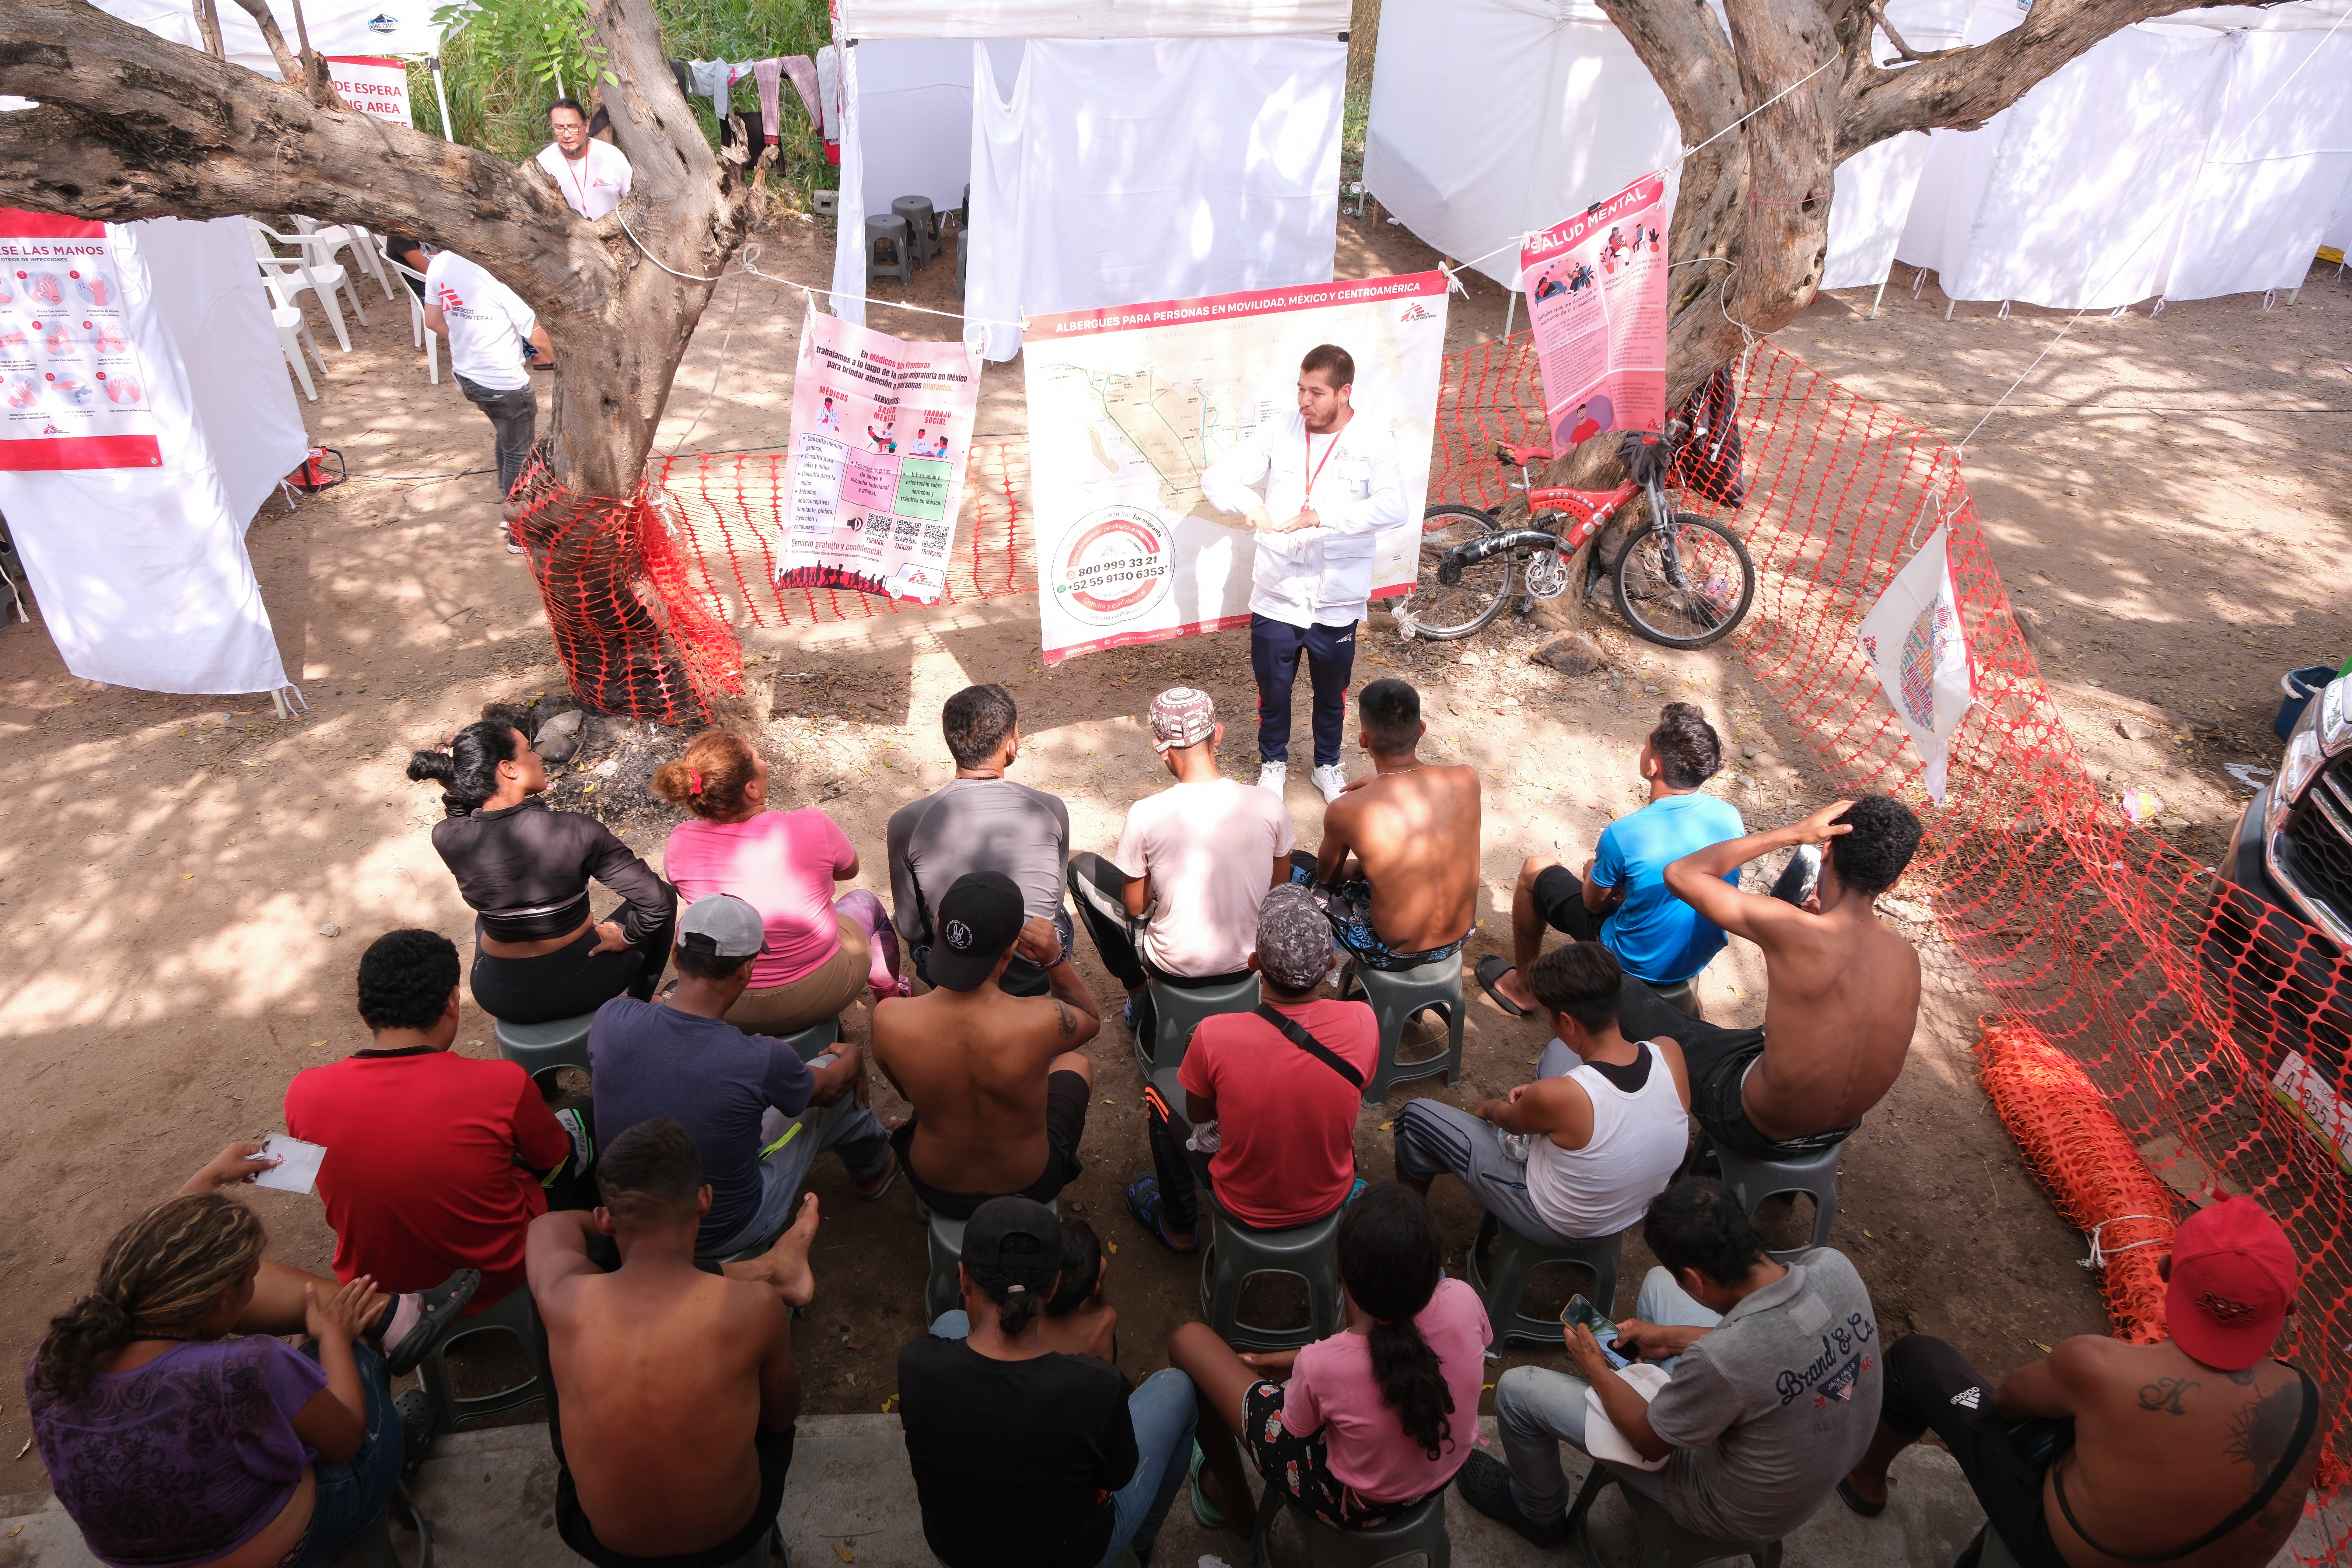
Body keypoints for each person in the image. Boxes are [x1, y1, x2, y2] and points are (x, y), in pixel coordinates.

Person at [26, 1147, 475, 1568]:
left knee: (303, 1349)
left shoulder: (59, 1356)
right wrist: (335, 1340)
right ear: (226, 1301)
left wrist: (210, 1178)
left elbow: (154, 1269)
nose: (257, 1284)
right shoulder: (247, 1367)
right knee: (346, 1341)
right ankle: (395, 1441)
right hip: (295, 1547)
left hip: (139, 1558)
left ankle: (389, 1321)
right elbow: (345, 1441)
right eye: (251, 1279)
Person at [1841, 1197, 2316, 1568]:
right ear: (2289, 1308)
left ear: (2167, 1270)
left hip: (2054, 1554)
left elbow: (2005, 1405)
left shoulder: (2098, 1366)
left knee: (1922, 1360)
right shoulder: (2309, 1401)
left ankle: (1865, 1483)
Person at [1453, 1178, 1879, 1550]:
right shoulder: (1833, 1266)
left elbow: (1651, 1442)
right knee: (1659, 1287)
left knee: (1517, 1392)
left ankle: (1537, 1514)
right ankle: (1654, 1378)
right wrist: (1669, 1339)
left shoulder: (1722, 1360)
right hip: (1826, 1459)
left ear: (1695, 1279)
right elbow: (1777, 1340)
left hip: (1732, 1506)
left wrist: (1593, 1366)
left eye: (1683, 1279)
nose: (1681, 1284)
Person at [529, 1118, 813, 1566]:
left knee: (552, 1301)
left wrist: (615, 1218)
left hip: (607, 1543)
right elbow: (781, 1417)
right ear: (704, 1200)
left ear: (605, 1218)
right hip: (730, 1535)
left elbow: (546, 1226)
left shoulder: (564, 1298)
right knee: (769, 1407)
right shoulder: (756, 1307)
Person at [284, 929, 579, 1319]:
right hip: (496, 1279)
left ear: (363, 1012)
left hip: (381, 1293)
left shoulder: (303, 1093)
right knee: (581, 1121)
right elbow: (553, 1157)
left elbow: (306, 1174)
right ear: (454, 1002)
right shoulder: (503, 1083)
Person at [1171, 1183, 1490, 1540]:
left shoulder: (1321, 1366)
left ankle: (1238, 1510)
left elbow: (1297, 1428)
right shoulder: (1463, 1300)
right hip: (1437, 1477)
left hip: (1353, 1506)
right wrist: (1305, 1362)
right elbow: (1401, 1352)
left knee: (1187, 1341)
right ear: (1434, 1271)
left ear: (1344, 1276)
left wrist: (1305, 1367)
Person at [899, 1197, 1196, 1568]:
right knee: (1180, 1387)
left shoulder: (915, 1364)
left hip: (955, 1550)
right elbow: (1118, 1474)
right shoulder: (1097, 1386)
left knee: (949, 1323)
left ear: (963, 1277)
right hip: (1071, 1556)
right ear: (1053, 1288)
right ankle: (1140, 1545)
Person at [591, 895, 896, 1257]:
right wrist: (854, 1057)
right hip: (724, 1229)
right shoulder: (759, 1058)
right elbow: (831, 1090)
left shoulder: (612, 1017)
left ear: (675, 955)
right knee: (833, 1070)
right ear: (746, 972)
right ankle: (876, 1170)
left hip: (629, 1222)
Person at [1625, 795, 1925, 1160]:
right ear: (1893, 882)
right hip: (1837, 1130)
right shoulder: (1906, 956)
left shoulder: (1790, 927)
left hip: (1753, 1125)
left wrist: (1794, 834)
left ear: (1826, 852)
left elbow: (1680, 874)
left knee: (1617, 987)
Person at [1199, 344, 1406, 803]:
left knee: (1332, 693)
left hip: (1337, 597)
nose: (1304, 402)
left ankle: (1327, 765)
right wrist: (1249, 502)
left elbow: (1395, 507)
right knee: (1273, 689)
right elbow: (1217, 477)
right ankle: (1273, 763)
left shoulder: (1372, 440)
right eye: (1300, 389)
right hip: (1279, 591)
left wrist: (1324, 516)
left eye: (1316, 392)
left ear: (1344, 392)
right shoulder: (1281, 431)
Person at [1129, 885, 1375, 1255]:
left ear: (1254, 962)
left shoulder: (1214, 1034)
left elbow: (1200, 1114)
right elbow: (1357, 1092)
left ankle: (1178, 1226)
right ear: (1330, 965)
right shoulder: (1363, 1021)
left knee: (1161, 1084)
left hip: (1244, 1204)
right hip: (1329, 1195)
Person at [1395, 942, 1689, 1249]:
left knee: (1414, 1119)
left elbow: (1507, 1119)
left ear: (1568, 1022)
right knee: (1561, 1051)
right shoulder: (1669, 1053)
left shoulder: (1562, 1097)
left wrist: (1491, 1108)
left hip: (1564, 1223)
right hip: (1632, 1208)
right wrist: (1547, 1102)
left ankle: (1407, 1229)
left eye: (1550, 1015)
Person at [408, 712, 676, 1024]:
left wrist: (455, 787)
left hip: (497, 994)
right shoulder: (576, 830)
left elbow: (461, 818)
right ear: (509, 769)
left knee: (490, 914)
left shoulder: (446, 837)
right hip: (582, 987)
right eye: (527, 750)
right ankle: (641, 1005)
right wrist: (627, 937)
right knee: (666, 895)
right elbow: (655, 902)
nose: (538, 756)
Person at [1480, 703, 1744, 1017]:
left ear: (1653, 768)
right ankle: (1684, 1003)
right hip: (1696, 956)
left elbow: (1594, 905)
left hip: (1634, 959)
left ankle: (1523, 988)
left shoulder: (1625, 833)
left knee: (1535, 869)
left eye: (1646, 745)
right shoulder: (1729, 817)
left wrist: (1592, 874)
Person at [871, 871, 1101, 1218]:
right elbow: (1090, 1019)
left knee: (931, 1091)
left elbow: (907, 1095)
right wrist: (1055, 959)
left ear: (939, 926)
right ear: (1011, 949)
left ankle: (932, 1205)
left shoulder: (889, 1018)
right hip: (1028, 1182)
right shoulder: (1041, 1020)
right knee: (1077, 1063)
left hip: (934, 1182)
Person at [1067, 686, 1293, 1030]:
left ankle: (1138, 992)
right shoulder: (1269, 804)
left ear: (1162, 749)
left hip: (1175, 966)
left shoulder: (1146, 814)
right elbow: (1278, 893)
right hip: (1250, 961)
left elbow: (1135, 906)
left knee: (1080, 868)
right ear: (1218, 734)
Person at [653, 727, 903, 1034]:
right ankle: (892, 996)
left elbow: (688, 891)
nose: (765, 763)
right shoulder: (811, 825)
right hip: (819, 989)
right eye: (759, 758)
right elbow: (848, 871)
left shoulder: (680, 842)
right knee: (865, 901)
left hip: (725, 1003)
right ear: (752, 789)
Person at [887, 684, 1073, 998]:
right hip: (1034, 973)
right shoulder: (1051, 809)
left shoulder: (907, 822)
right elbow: (1052, 907)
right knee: (1063, 916)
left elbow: (910, 928)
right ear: (1011, 747)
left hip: (955, 974)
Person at [1292, 678, 1480, 971]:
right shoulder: (1467, 778)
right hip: (1460, 935)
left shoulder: (1346, 810)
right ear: (1422, 729)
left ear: (1363, 740)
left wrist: (1366, 866)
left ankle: (1300, 965)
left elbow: (1329, 877)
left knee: (1293, 864)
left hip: (1393, 952)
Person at [421, 246, 554, 517]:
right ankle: (518, 523)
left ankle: (509, 502)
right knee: (519, 454)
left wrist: (471, 343)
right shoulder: (498, 271)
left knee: (508, 440)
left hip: (467, 376)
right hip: (504, 383)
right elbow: (537, 336)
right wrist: (564, 363)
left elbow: (433, 321)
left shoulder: (441, 263)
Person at [534, 96, 632, 221]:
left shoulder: (612, 156)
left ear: (586, 126)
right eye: (559, 128)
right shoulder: (544, 164)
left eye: (573, 127)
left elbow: (635, 202)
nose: (566, 135)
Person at [1041, 1217, 1119, 1364]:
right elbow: (1100, 1310)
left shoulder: (1021, 1318)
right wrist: (1098, 1286)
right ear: (1093, 1290)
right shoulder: (1103, 1326)